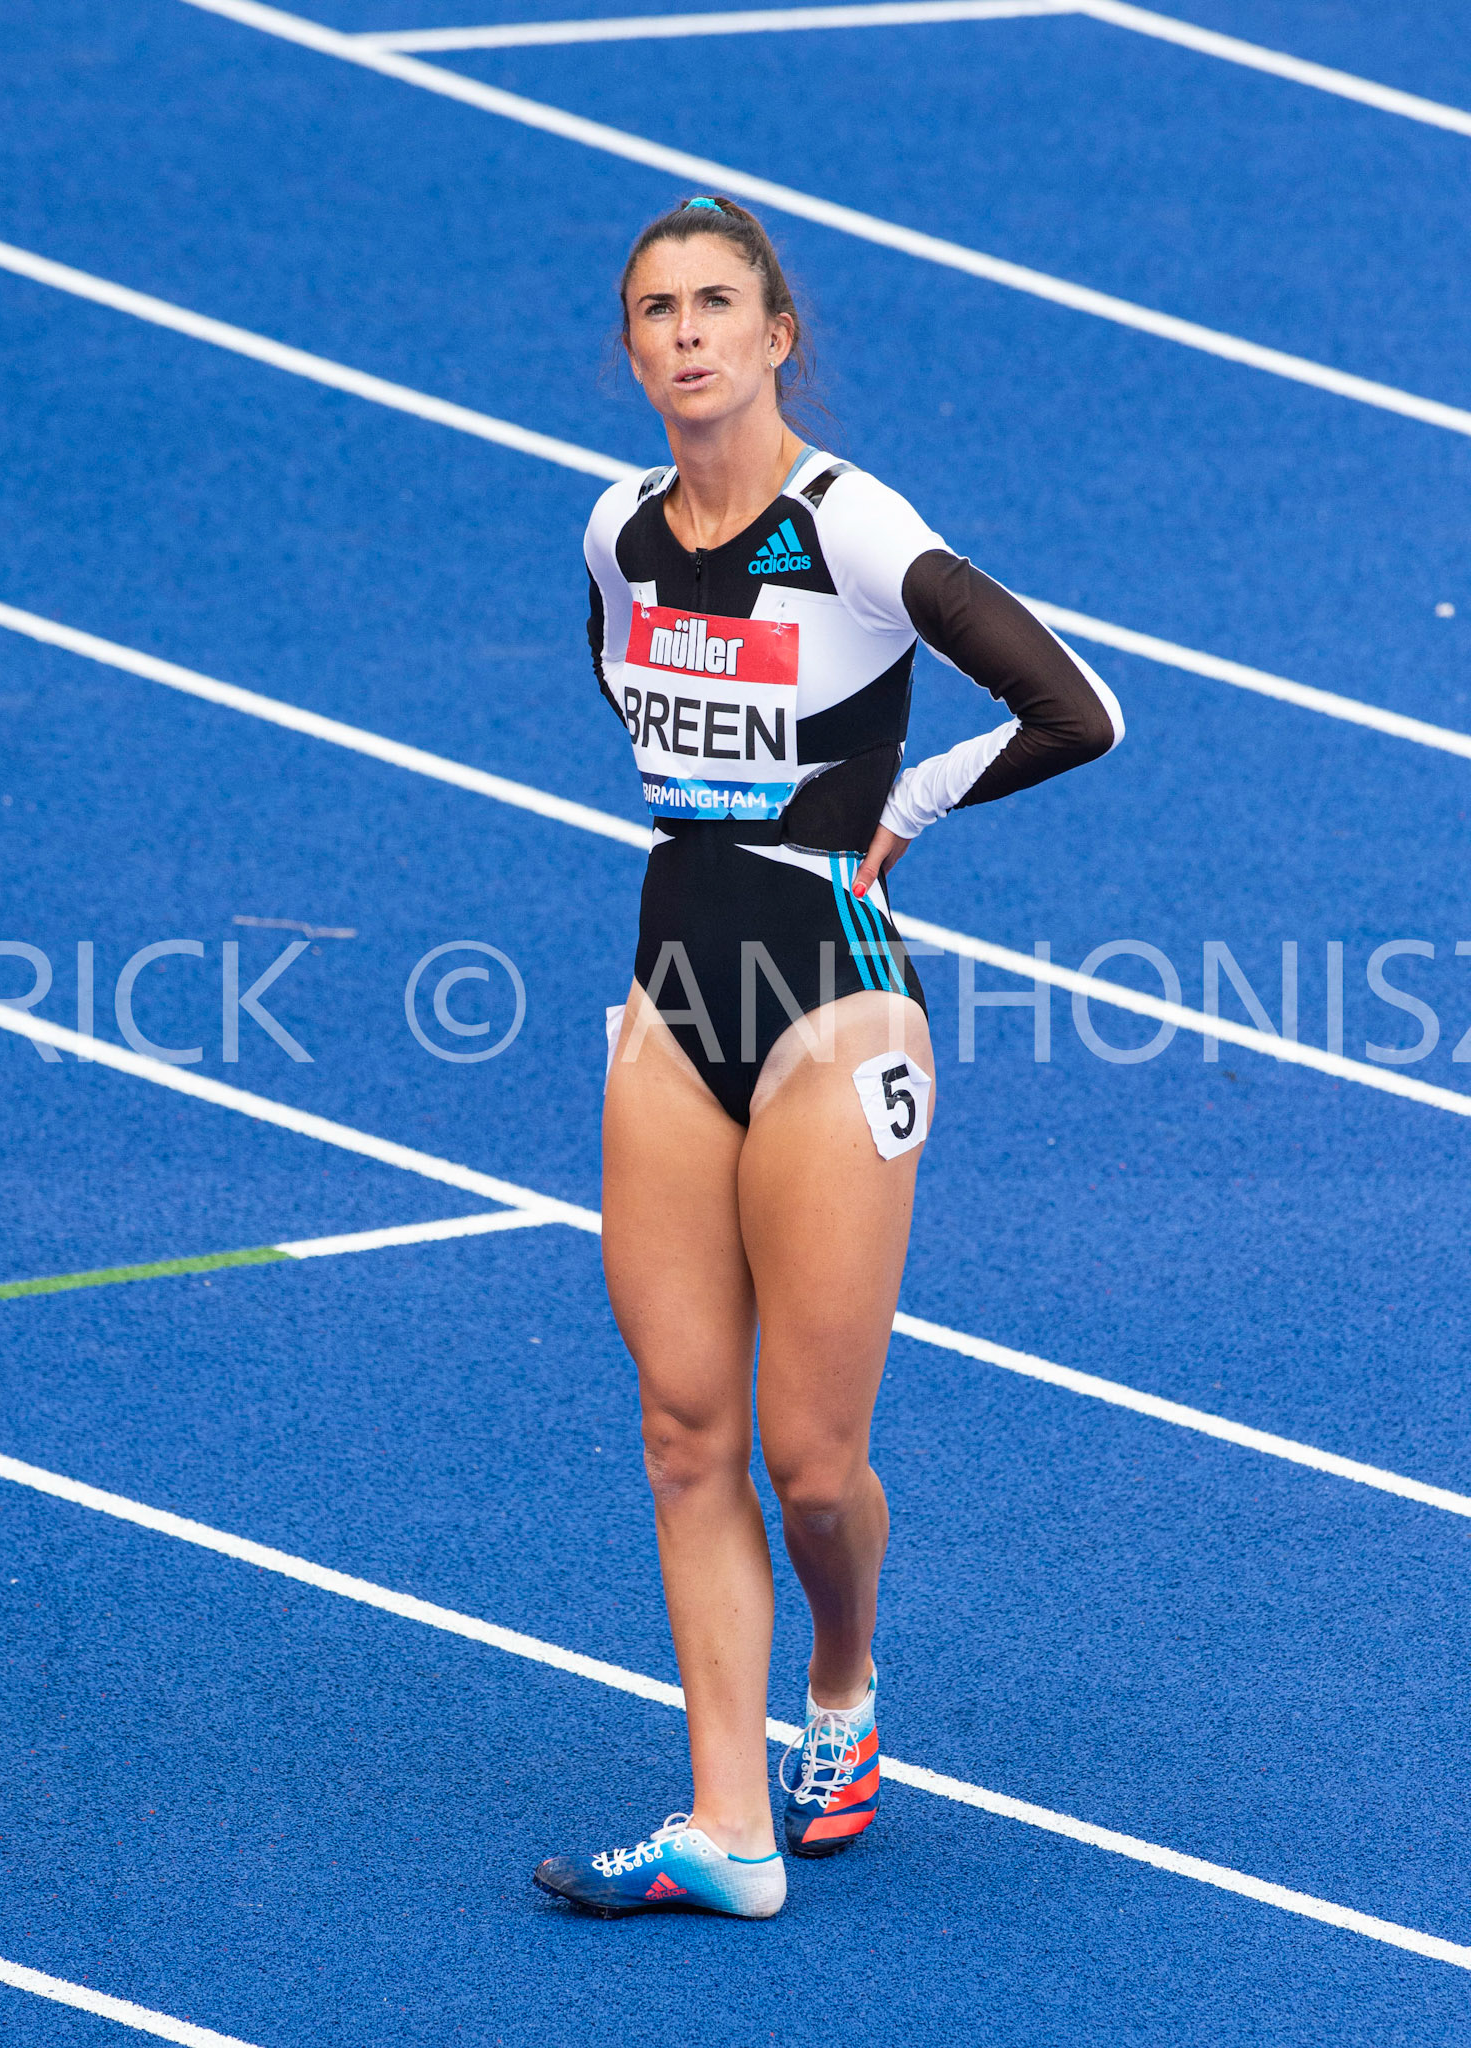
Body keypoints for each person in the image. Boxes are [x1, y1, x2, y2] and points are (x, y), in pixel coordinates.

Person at [532, 196, 1124, 1919]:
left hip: (834, 1002)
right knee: (681, 1429)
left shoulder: (852, 525)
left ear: (777, 335)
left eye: (719, 302)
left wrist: (906, 804)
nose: (688, 332)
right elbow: (630, 691)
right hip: (671, 991)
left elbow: (1077, 708)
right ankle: (728, 1828)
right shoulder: (615, 530)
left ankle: (844, 1687)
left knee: (807, 1458)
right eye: (658, 309)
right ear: (630, 349)